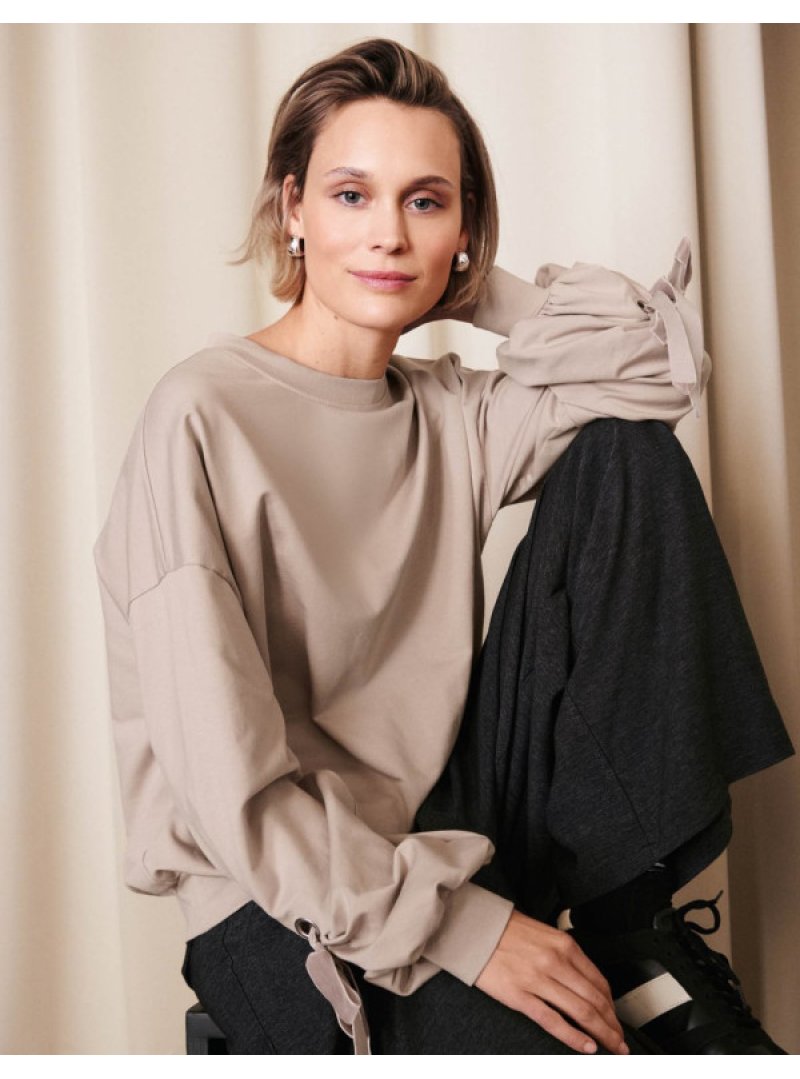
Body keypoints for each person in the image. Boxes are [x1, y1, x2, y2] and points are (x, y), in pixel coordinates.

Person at [92, 37, 794, 1056]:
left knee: (624, 454)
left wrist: (470, 287)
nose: (387, 233)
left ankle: (628, 923)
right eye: (350, 195)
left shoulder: (449, 411)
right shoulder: (200, 417)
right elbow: (227, 792)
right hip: (272, 893)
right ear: (292, 208)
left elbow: (655, 372)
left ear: (463, 227)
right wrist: (466, 929)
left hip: (445, 821)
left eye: (424, 201)